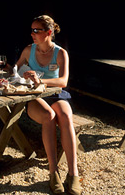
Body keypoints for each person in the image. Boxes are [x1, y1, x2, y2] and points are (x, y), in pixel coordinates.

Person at [14, 15, 81, 194]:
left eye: (37, 30)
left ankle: (73, 174)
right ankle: (53, 173)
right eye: (32, 30)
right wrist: (18, 74)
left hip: (57, 94)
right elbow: (15, 71)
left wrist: (41, 81)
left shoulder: (60, 53)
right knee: (49, 116)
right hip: (36, 96)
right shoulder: (29, 50)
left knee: (66, 116)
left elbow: (63, 81)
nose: (32, 34)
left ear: (49, 33)